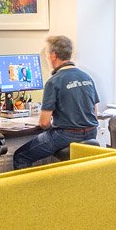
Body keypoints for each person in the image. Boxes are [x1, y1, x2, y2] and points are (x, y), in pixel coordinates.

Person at [12, 35, 100, 169]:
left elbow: (44, 123)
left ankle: (30, 190)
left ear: (53, 55)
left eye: (47, 56)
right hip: (92, 133)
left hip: (67, 135)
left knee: (21, 156)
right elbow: (95, 112)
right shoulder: (86, 77)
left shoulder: (54, 81)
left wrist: (52, 131)